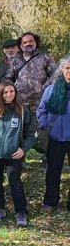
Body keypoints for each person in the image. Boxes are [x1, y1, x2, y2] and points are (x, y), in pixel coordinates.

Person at [0, 81, 35, 227]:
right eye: (5, 92)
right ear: (0, 94)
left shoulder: (23, 110)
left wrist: (23, 149)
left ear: (15, 92)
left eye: (11, 91)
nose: (9, 94)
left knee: (15, 183)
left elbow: (31, 134)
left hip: (14, 154)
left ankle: (21, 212)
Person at [37, 57, 70, 213]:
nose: (69, 72)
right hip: (55, 138)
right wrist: (45, 125)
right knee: (53, 172)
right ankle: (51, 202)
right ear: (61, 70)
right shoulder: (51, 89)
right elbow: (41, 110)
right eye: (67, 68)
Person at [9, 32, 58, 113]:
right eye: (25, 42)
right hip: (19, 102)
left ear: (36, 42)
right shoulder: (14, 60)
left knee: (38, 124)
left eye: (31, 41)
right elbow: (8, 79)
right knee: (20, 124)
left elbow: (56, 74)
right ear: (21, 45)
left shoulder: (44, 57)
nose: (28, 44)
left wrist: (44, 87)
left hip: (40, 101)